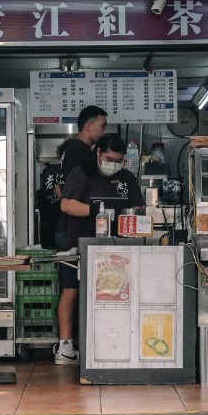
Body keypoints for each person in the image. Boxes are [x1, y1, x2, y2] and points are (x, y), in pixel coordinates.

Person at [54, 134, 144, 365]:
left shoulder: (127, 178)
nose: (113, 164)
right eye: (109, 158)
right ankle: (65, 346)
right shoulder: (82, 173)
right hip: (79, 241)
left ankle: (112, 342)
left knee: (113, 293)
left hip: (117, 247)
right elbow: (67, 204)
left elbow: (137, 207)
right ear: (99, 154)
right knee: (72, 289)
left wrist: (128, 217)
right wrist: (97, 211)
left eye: (118, 160)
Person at [53, 105, 108, 251]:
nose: (104, 132)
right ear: (89, 126)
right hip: (72, 228)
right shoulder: (81, 152)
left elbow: (60, 189)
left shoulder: (70, 148)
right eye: (102, 126)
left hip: (64, 226)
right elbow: (72, 193)